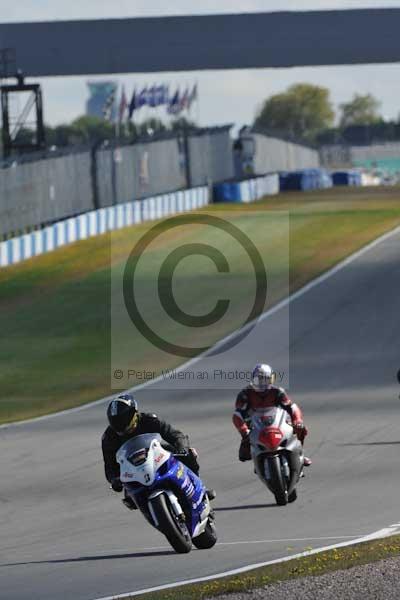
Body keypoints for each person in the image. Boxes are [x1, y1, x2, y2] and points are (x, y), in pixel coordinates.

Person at [102, 393, 215, 510]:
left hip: (158, 456)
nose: (120, 424)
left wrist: (182, 448)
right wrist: (114, 479)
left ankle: (201, 490)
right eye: (115, 421)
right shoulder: (108, 437)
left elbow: (175, 435)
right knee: (130, 500)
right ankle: (153, 512)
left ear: (134, 413)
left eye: (123, 419)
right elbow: (109, 465)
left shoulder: (149, 420)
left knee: (189, 453)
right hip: (132, 469)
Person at [232, 364, 312, 466]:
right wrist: (244, 430)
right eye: (259, 380)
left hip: (277, 422)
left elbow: (292, 407)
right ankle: (257, 459)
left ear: (271, 380)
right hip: (254, 425)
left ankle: (300, 454)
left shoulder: (278, 391)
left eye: (265, 380)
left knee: (301, 428)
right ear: (252, 379)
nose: (262, 384)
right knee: (244, 454)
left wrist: (297, 420)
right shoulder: (244, 394)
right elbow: (237, 415)